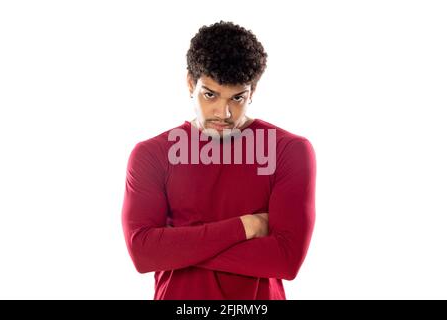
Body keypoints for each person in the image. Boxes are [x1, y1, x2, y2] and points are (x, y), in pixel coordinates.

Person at [121, 20, 316, 300]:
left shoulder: (289, 151)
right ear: (191, 83)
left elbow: (286, 260)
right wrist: (246, 226)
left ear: (253, 91)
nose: (223, 113)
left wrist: (175, 247)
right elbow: (142, 253)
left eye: (238, 97)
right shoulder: (152, 155)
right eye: (210, 94)